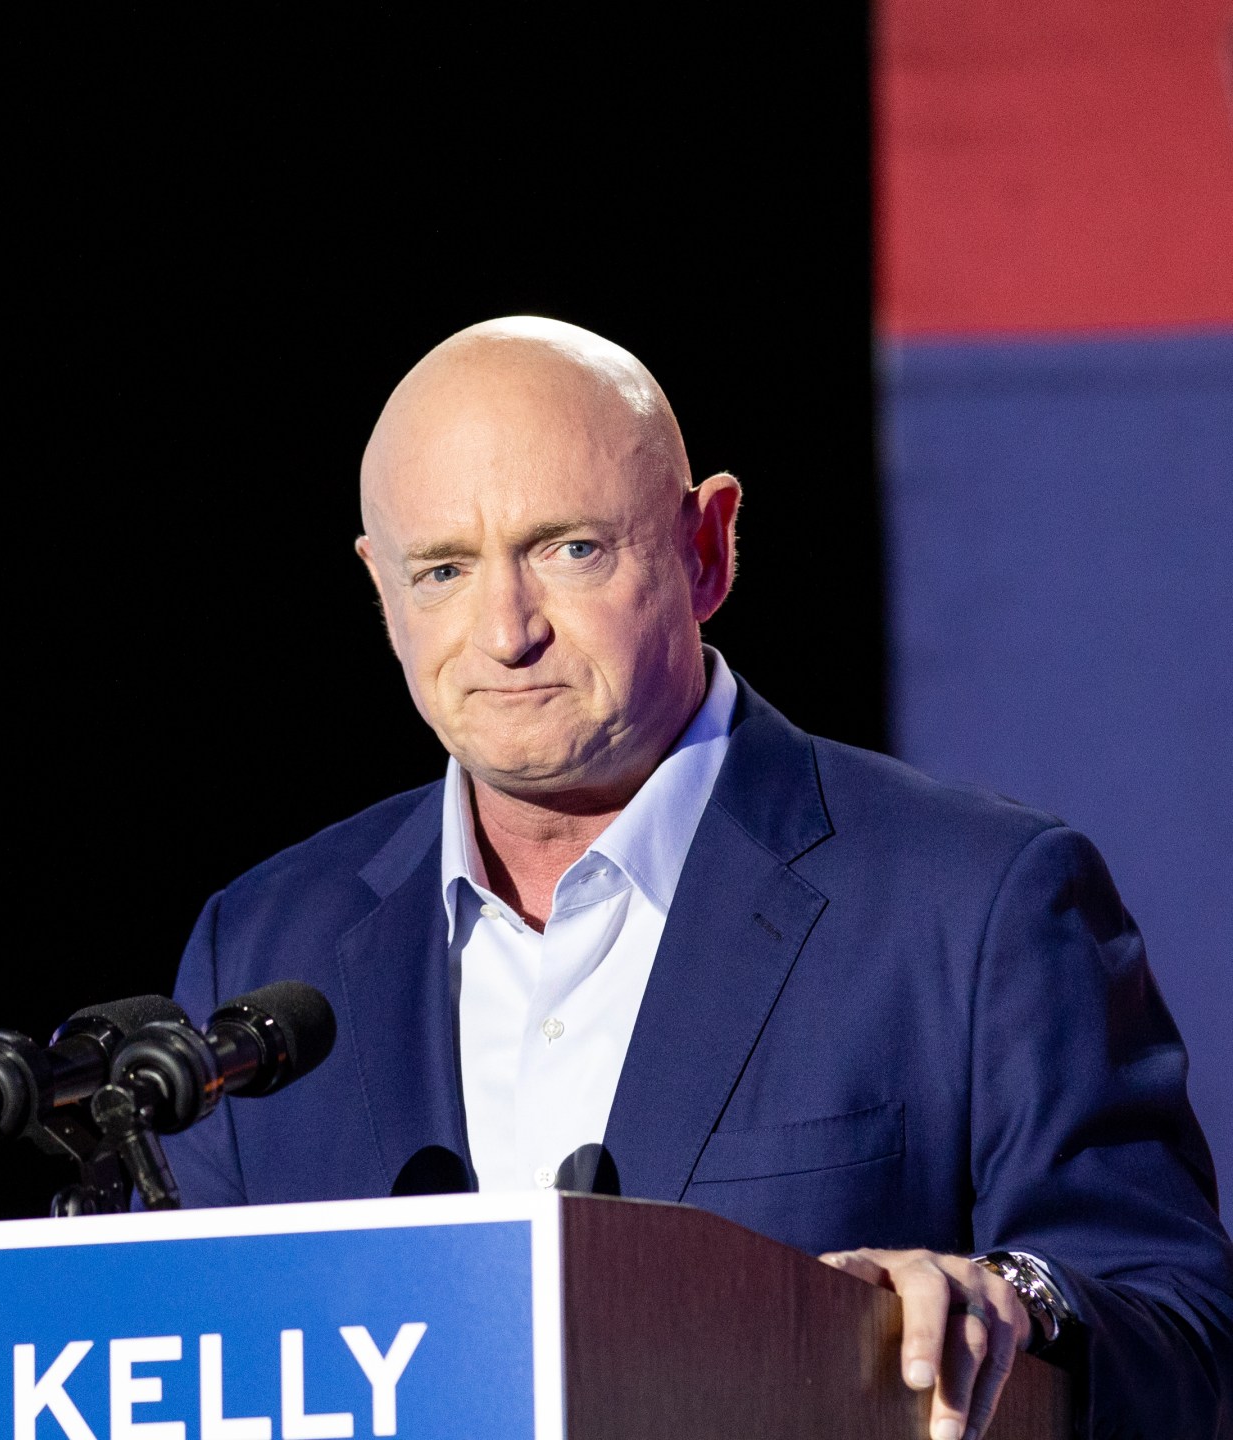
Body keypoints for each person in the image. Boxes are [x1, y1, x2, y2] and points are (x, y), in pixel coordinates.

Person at [157, 317, 1233, 1440]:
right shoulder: (265, 941)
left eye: (567, 550)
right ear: (380, 587)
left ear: (706, 549)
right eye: (443, 570)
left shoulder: (976, 903)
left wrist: (1021, 1309)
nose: (505, 630)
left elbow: (1182, 1335)